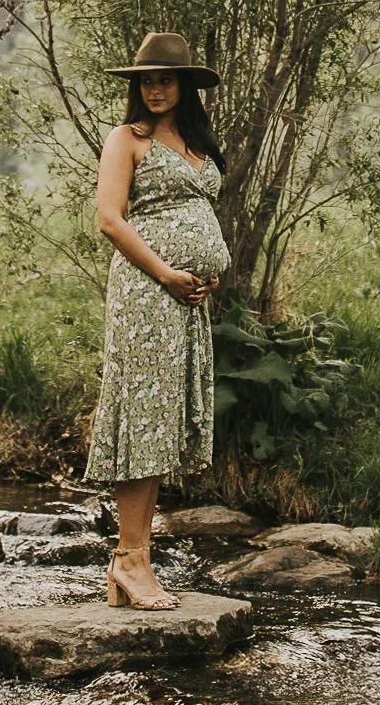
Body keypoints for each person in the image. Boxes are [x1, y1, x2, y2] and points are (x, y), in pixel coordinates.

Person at [85, 30, 231, 610]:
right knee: (142, 423)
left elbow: (198, 211)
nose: (154, 89)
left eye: (165, 79)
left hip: (185, 301)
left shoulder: (195, 141)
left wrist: (204, 272)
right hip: (147, 297)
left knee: (162, 424)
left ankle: (131, 562)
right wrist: (168, 273)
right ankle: (130, 560)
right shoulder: (126, 139)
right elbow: (110, 219)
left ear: (186, 86)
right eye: (146, 80)